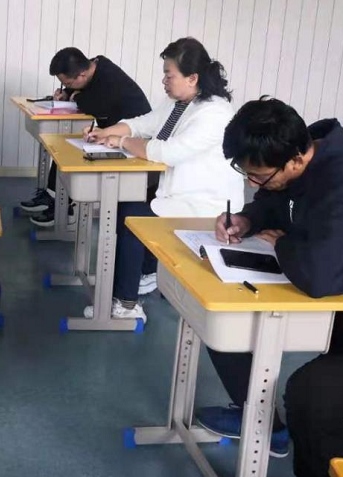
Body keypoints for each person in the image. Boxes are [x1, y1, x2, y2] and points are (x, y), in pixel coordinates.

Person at [196, 97, 343, 475]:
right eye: (246, 173)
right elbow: (272, 201)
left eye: (257, 175)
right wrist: (247, 220)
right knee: (227, 321)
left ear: (297, 161)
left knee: (312, 395)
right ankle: (269, 427)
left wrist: (283, 244)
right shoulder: (294, 160)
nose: (252, 182)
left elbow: (318, 277)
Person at [85, 37, 244, 320]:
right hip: (176, 194)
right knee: (129, 206)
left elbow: (167, 152)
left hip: (204, 205)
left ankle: (126, 304)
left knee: (132, 218)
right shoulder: (180, 103)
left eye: (169, 75)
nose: (164, 81)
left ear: (192, 78)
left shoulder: (214, 113)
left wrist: (121, 142)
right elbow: (143, 124)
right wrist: (106, 132)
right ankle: (143, 273)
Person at [18, 47, 152, 228]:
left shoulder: (109, 79)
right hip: (112, 133)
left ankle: (64, 208)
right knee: (64, 148)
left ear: (81, 75)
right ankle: (54, 198)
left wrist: (76, 97)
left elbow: (92, 105)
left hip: (134, 140)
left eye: (68, 83)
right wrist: (66, 94)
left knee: (74, 155)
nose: (66, 86)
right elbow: (83, 96)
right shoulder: (93, 67)